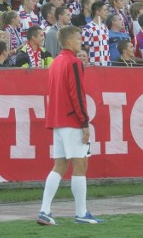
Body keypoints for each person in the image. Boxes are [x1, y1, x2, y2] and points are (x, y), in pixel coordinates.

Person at [37, 26, 104, 226]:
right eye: (78, 38)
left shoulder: (56, 61)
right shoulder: (74, 62)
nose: (80, 41)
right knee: (80, 165)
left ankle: (45, 210)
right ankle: (81, 213)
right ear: (68, 42)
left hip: (57, 120)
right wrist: (84, 122)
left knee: (59, 165)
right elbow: (77, 94)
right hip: (71, 120)